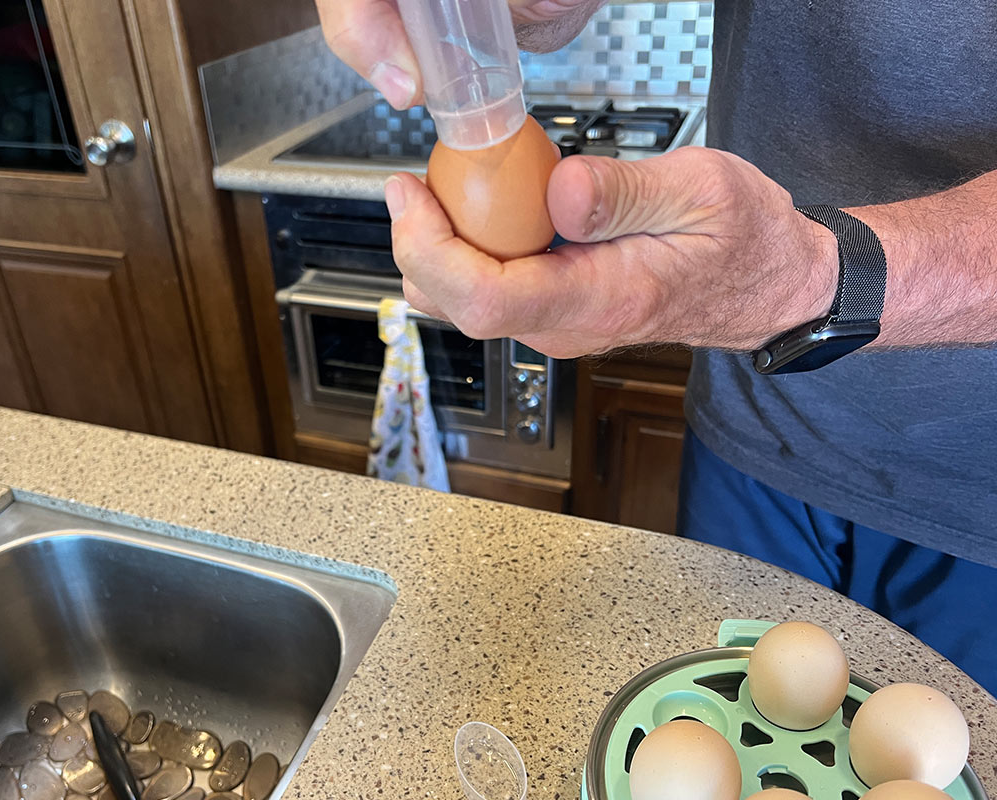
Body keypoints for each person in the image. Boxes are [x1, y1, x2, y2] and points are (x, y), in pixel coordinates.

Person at [314, 0, 997, 694]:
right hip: (752, 434)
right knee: (722, 721)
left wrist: (819, 276)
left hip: (975, 498)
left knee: (943, 758)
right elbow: (536, 16)